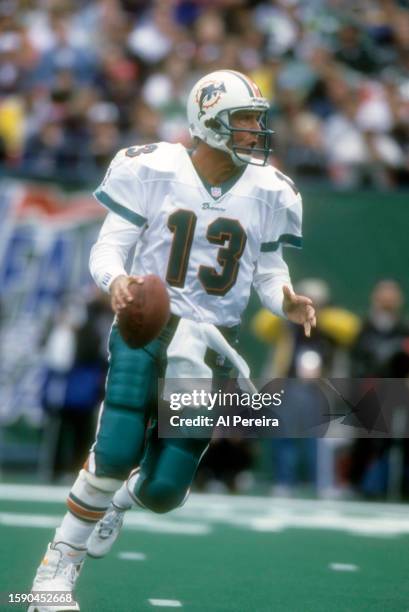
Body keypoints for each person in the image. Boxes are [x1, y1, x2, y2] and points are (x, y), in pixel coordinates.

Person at [28, 69, 316, 612]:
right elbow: (108, 248)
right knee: (113, 450)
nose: (257, 130)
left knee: (163, 492)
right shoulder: (152, 167)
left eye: (258, 120)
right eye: (244, 120)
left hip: (210, 347)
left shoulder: (271, 190)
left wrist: (286, 300)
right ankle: (56, 567)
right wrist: (117, 282)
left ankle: (120, 501)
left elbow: (268, 271)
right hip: (148, 329)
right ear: (207, 122)